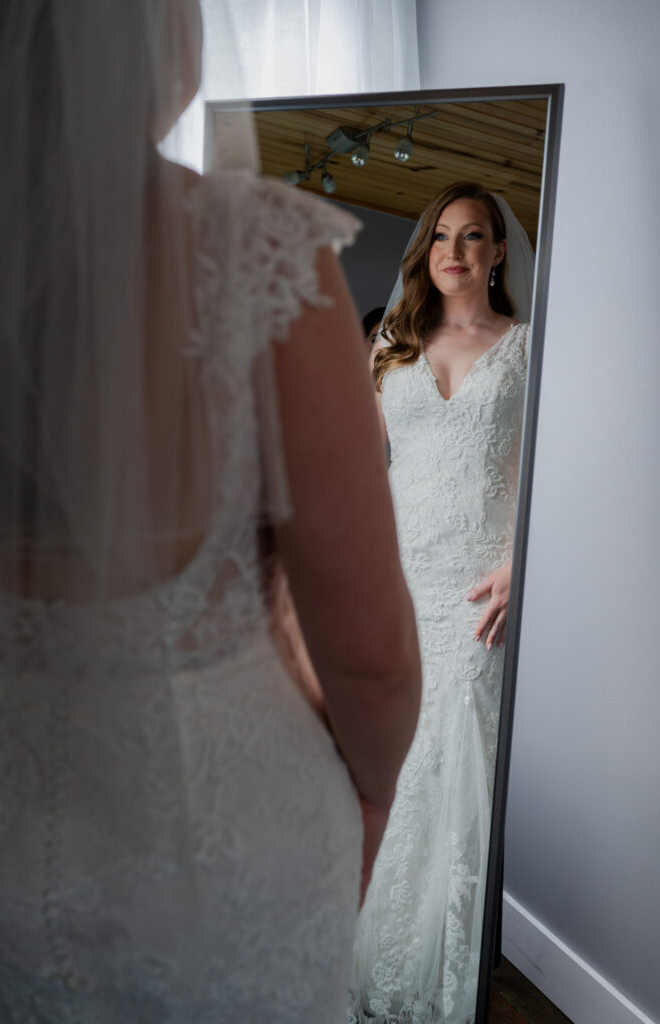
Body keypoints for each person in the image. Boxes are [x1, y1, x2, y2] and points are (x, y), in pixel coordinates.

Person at [0, 4, 421, 1022]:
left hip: (4, 841)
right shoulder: (251, 247)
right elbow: (371, 656)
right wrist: (374, 793)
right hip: (233, 851)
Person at [350, 182, 532, 1024]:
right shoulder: (391, 342)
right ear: (425, 252)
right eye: (440, 238)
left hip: (476, 585)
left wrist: (518, 559)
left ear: (498, 254)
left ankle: (437, 971)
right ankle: (357, 955)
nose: (454, 251)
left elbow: (548, 466)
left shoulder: (528, 349)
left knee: (454, 761)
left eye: (473, 237)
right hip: (396, 575)